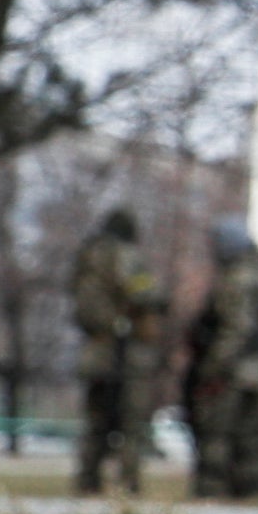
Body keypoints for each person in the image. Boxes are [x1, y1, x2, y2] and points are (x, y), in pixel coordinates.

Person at [181, 217, 258, 505]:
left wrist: (215, 367)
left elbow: (237, 329)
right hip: (255, 369)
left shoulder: (237, 280)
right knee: (249, 436)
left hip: (233, 370)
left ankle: (210, 491)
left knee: (217, 431)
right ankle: (251, 494)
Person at [68, 205, 166, 498]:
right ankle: (128, 485)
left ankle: (87, 481)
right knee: (131, 423)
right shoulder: (126, 255)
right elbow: (143, 294)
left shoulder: (87, 257)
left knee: (95, 421)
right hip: (124, 352)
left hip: (94, 350)